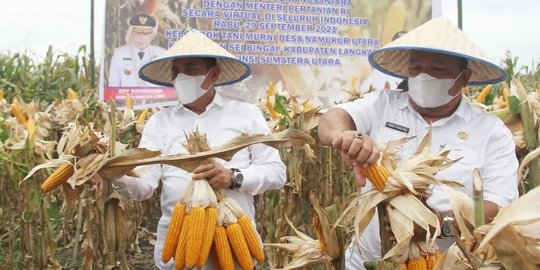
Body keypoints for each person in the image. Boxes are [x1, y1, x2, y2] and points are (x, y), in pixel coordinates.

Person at [317, 16, 518, 269]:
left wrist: (438, 224)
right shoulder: (383, 105)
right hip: (368, 261)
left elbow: (498, 206)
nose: (424, 76)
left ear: (464, 77)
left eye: (437, 69)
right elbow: (331, 120)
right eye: (416, 68)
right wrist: (344, 137)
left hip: (448, 263)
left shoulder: (491, 132)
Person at [91, 29, 286, 269]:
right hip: (179, 249)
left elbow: (277, 173)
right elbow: (144, 186)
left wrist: (232, 177)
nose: (181, 76)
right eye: (176, 71)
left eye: (190, 68)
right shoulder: (159, 122)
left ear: (213, 74)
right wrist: (115, 173)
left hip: (232, 247)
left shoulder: (246, 115)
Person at [108, 13, 166, 87]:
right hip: (127, 98)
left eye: (145, 34)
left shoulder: (161, 54)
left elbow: (166, 85)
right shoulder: (120, 54)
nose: (141, 37)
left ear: (152, 35)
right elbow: (113, 84)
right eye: (138, 33)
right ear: (131, 33)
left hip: (155, 97)